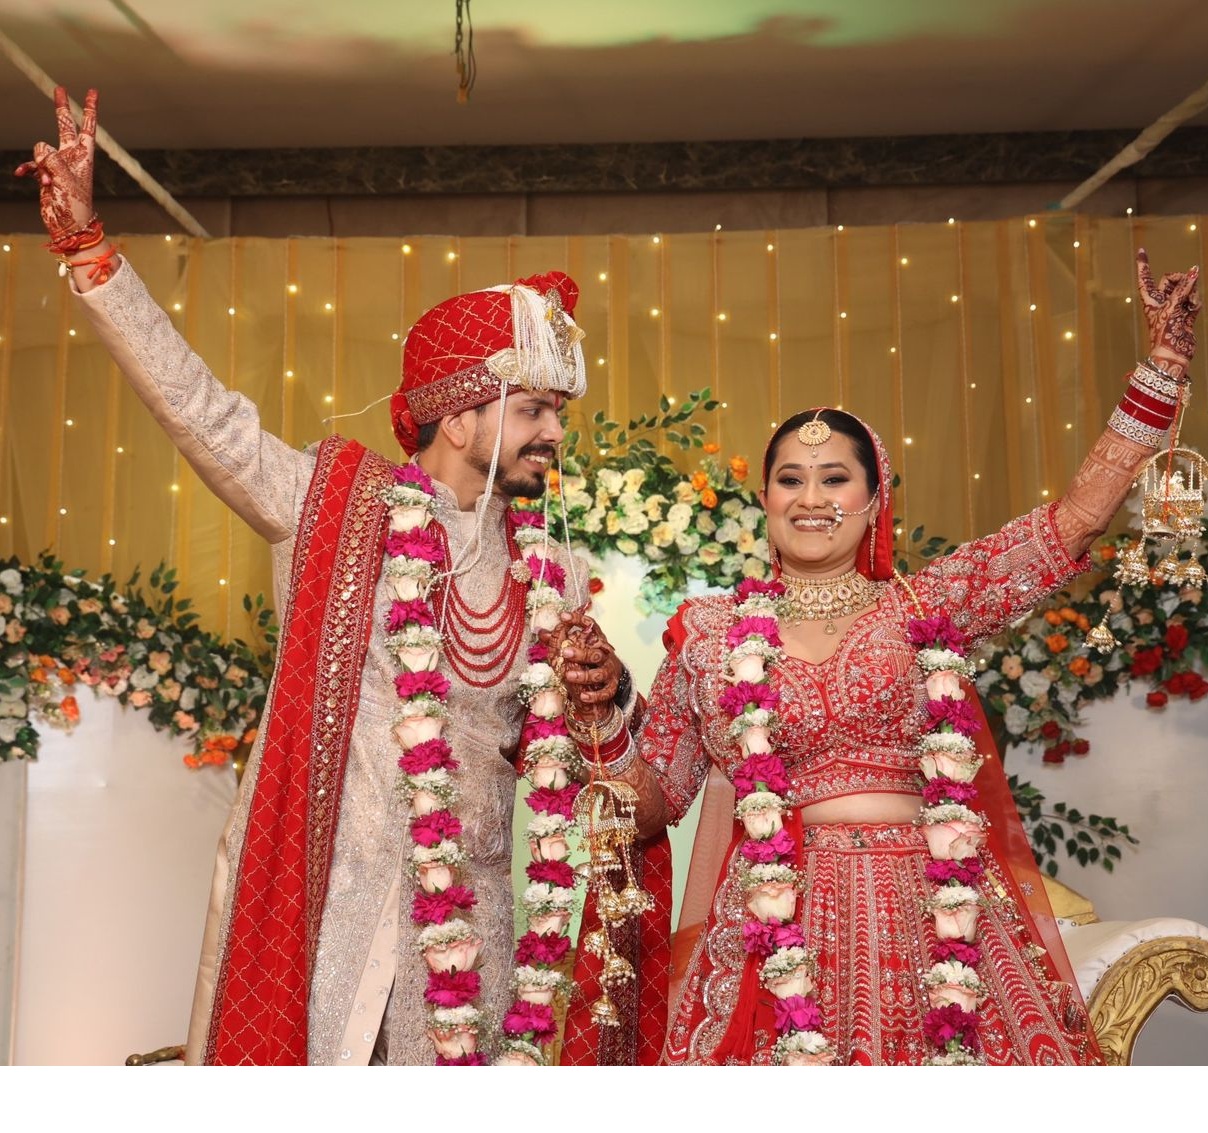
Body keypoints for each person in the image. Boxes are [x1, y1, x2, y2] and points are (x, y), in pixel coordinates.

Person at [19, 87, 631, 1065]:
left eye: (558, 413)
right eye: (534, 410)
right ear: (459, 412)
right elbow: (203, 415)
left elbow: (584, 758)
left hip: (474, 939)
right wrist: (93, 256)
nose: (555, 434)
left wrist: (612, 694)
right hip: (328, 912)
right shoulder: (333, 507)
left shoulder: (550, 568)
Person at [556, 253, 1200, 1064]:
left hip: (937, 918)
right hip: (775, 933)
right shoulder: (712, 634)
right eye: (790, 479)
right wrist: (603, 710)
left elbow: (1072, 523)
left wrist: (1160, 374)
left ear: (873, 499)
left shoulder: (925, 604)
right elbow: (656, 801)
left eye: (835, 478)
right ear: (765, 500)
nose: (811, 498)